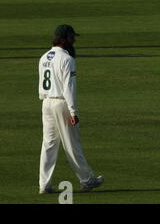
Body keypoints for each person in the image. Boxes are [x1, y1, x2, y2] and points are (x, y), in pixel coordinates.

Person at [38, 24, 103, 193]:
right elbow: (69, 87)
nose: (74, 40)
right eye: (71, 37)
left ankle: (44, 185)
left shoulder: (44, 57)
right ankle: (87, 180)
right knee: (72, 143)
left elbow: (41, 86)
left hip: (46, 102)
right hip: (61, 104)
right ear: (64, 38)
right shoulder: (67, 59)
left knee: (49, 145)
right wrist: (73, 111)